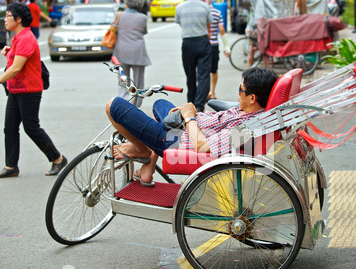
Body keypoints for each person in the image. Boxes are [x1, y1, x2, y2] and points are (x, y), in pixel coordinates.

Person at [105, 67, 279, 186]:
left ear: (252, 98)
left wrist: (189, 117)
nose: (238, 93)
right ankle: (148, 166)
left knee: (113, 105)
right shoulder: (249, 112)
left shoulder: (244, 129)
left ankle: (141, 149)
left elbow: (203, 147)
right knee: (160, 103)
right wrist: (186, 112)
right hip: (186, 128)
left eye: (241, 90)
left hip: (175, 141)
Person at [0, 2, 66, 178]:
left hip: (29, 90)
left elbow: (17, 68)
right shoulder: (18, 37)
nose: (5, 19)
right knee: (10, 127)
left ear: (18, 19)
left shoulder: (26, 37)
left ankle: (57, 158)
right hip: (16, 89)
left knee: (31, 127)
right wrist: (10, 51)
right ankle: (11, 166)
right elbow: (19, 57)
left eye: (8, 16)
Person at [175, 0, 213, 112]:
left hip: (188, 43)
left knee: (190, 76)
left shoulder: (180, 7)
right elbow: (208, 25)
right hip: (202, 40)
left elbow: (181, 24)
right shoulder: (205, 6)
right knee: (204, 76)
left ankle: (190, 104)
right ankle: (199, 106)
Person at [112, 0, 151, 107]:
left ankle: (122, 103)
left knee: (123, 80)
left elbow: (115, 29)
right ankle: (136, 105)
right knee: (138, 81)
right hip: (138, 52)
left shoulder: (119, 15)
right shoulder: (142, 17)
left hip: (121, 51)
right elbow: (144, 31)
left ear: (127, 4)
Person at [207, 0, 230, 100]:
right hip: (214, 45)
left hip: (202, 44)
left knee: (202, 71)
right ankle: (212, 91)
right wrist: (226, 47)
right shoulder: (217, 12)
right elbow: (221, 30)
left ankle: (205, 91)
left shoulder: (200, 12)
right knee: (214, 70)